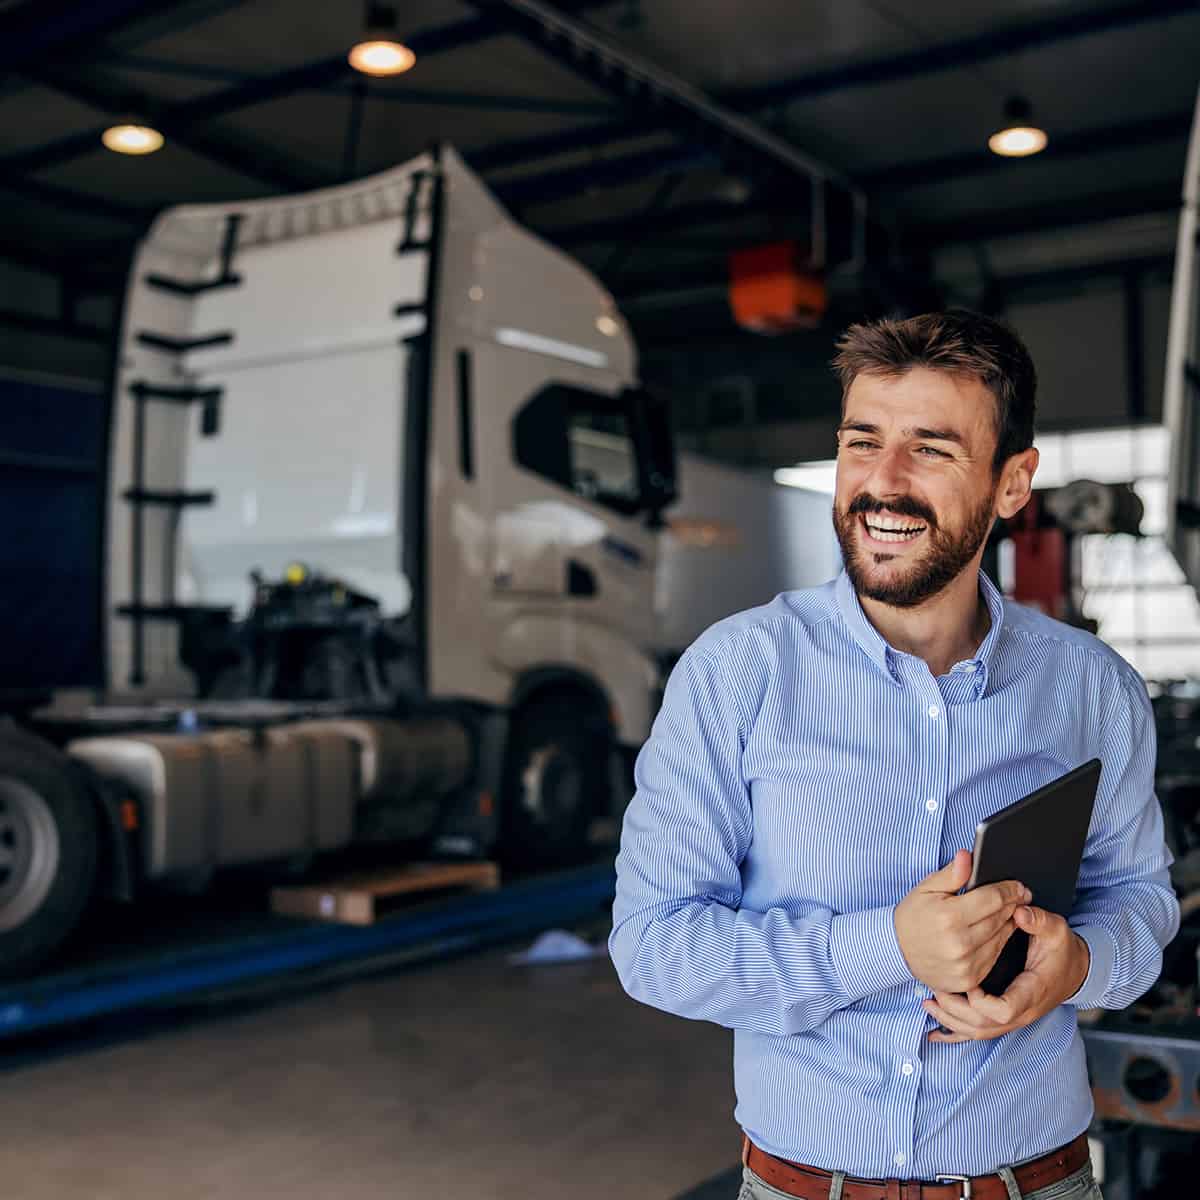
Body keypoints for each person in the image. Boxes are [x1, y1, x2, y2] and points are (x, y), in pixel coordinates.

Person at [609, 310, 1179, 1200]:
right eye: (862, 442)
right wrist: (887, 949)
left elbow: (1141, 901)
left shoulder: (1090, 687)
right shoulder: (737, 672)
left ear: (1013, 483)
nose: (882, 483)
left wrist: (1080, 963)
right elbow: (653, 945)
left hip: (1035, 1181)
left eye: (933, 450)